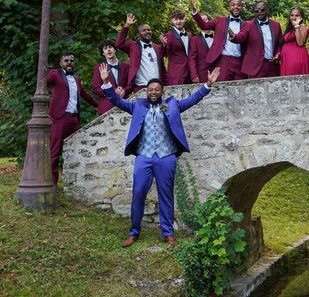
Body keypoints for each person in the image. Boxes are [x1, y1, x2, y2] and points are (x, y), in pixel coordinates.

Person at [99, 63, 220, 247]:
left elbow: (193, 99)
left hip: (166, 156)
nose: (153, 92)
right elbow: (117, 101)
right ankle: (134, 232)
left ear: (162, 92)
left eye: (157, 90)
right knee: (138, 192)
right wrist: (107, 82)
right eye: (150, 90)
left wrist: (208, 85)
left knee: (166, 194)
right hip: (144, 156)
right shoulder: (137, 105)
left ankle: (168, 233)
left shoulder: (173, 105)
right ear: (146, 92)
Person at [48, 52, 98, 185]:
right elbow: (46, 81)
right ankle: (52, 183)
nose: (69, 63)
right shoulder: (55, 74)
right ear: (61, 62)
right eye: (66, 60)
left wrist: (98, 105)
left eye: (72, 60)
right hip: (60, 117)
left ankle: (76, 181)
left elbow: (85, 94)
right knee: (55, 150)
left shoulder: (76, 78)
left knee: (77, 148)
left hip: (74, 119)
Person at [190, 0, 246, 81]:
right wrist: (195, 12)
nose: (236, 7)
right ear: (229, 8)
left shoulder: (246, 24)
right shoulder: (220, 20)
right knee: (222, 88)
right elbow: (203, 25)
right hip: (224, 61)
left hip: (240, 62)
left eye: (238, 5)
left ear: (241, 7)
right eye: (233, 5)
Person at [229, 0, 282, 78]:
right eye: (256, 11)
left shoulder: (276, 25)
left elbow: (280, 44)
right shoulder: (248, 24)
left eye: (262, 10)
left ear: (267, 10)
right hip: (256, 67)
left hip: (273, 66)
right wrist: (233, 36)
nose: (259, 12)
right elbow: (240, 37)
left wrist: (278, 54)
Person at [115, 13, 166, 93]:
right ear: (139, 35)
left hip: (157, 87)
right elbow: (119, 44)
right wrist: (127, 26)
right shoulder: (133, 46)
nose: (147, 32)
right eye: (144, 30)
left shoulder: (158, 48)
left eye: (149, 30)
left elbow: (163, 67)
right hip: (140, 87)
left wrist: (164, 44)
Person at [91, 40, 131, 115]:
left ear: (115, 50)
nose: (108, 49)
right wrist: (113, 91)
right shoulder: (99, 67)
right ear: (103, 53)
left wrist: (124, 91)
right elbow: (95, 89)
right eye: (105, 48)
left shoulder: (126, 66)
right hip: (106, 107)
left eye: (110, 47)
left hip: (124, 105)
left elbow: (131, 84)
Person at [160, 9, 191, 85]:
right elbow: (163, 54)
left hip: (190, 72)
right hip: (176, 74)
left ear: (185, 19)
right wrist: (164, 44)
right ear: (172, 21)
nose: (178, 21)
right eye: (176, 19)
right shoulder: (167, 36)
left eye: (181, 19)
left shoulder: (189, 35)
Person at [279, 6, 309, 76]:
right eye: (292, 15)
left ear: (301, 17)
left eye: (297, 15)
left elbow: (300, 43)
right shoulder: (289, 29)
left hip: (297, 59)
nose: (294, 17)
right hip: (287, 61)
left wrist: (297, 26)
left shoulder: (302, 26)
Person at [188, 13, 214, 83]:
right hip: (202, 76)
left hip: (218, 75)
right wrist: (194, 75)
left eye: (205, 20)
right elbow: (192, 59)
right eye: (201, 20)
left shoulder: (217, 37)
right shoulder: (194, 40)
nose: (203, 22)